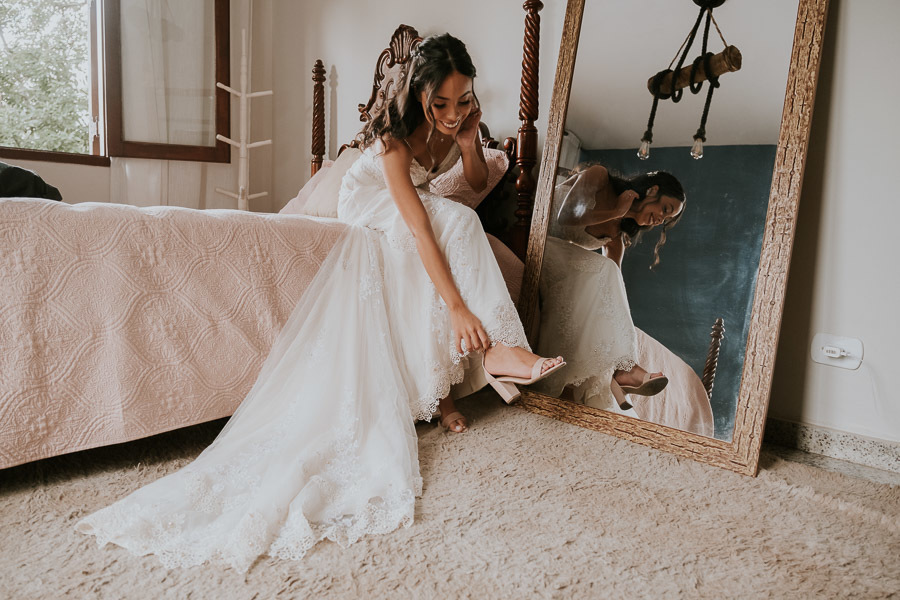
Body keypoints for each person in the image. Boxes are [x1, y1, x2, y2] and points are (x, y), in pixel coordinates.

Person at [75, 33, 563, 572]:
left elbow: (474, 180)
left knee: (441, 235)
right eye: (440, 104)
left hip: (410, 204)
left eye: (462, 100)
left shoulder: (457, 126)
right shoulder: (393, 141)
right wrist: (457, 307)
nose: (451, 114)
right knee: (446, 229)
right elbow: (420, 226)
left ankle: (442, 390)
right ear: (419, 95)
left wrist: (469, 141)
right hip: (365, 201)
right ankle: (496, 350)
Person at [532, 164, 685, 411]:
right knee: (602, 270)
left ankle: (615, 370)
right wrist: (616, 210)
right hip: (532, 235)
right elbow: (567, 215)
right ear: (652, 190)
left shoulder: (617, 235)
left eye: (666, 220)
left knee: (604, 280)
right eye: (665, 209)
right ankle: (624, 370)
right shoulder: (599, 176)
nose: (660, 220)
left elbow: (612, 289)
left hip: (556, 259)